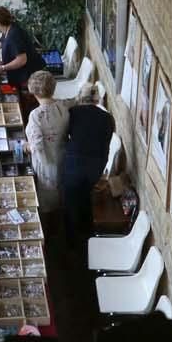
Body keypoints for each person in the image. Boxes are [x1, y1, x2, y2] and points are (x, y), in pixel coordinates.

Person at [63, 83, 115, 244]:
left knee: (71, 201)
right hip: (97, 164)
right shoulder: (108, 118)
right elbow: (107, 140)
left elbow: (66, 135)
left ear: (80, 97)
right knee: (86, 195)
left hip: (76, 162)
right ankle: (88, 235)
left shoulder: (73, 112)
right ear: (97, 99)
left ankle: (71, 240)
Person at [24, 70, 70, 214]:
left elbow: (37, 146)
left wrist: (27, 147)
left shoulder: (36, 115)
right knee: (60, 194)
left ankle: (49, 228)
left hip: (45, 164)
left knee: (46, 202)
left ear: (34, 91)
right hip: (62, 156)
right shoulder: (63, 107)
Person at [0, 6, 46, 86]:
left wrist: (3, 68)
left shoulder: (14, 35)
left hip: (29, 75)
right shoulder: (9, 28)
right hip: (25, 73)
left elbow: (21, 60)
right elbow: (0, 43)